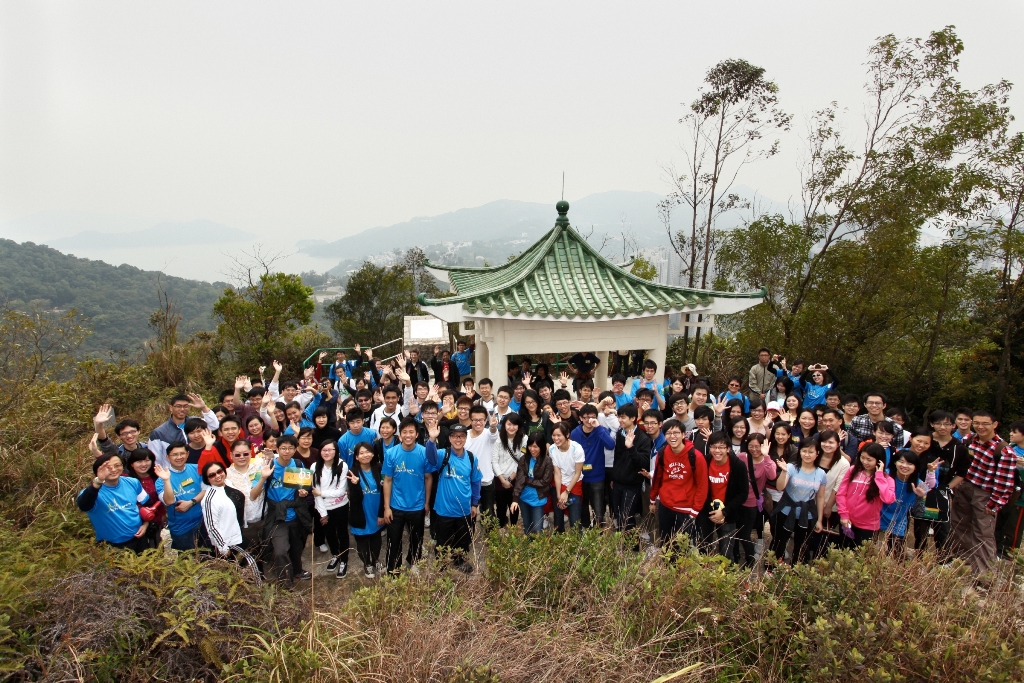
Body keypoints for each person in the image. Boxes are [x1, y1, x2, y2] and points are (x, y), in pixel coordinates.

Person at [948, 410, 1015, 576]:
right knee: (959, 525)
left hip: (985, 494)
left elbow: (1005, 483)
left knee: (983, 534)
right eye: (977, 423)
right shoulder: (969, 440)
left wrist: (994, 504)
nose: (980, 426)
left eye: (985, 423)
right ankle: (961, 563)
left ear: (995, 425)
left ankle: (984, 575)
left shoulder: (1003, 450)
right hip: (965, 488)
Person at [252, 434, 313, 584]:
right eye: (283, 448)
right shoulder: (269, 467)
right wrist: (263, 478)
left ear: (295, 449)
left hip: (296, 514)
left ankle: (297, 571)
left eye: (290, 448)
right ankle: (286, 583)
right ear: (277, 449)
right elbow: (253, 495)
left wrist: (304, 492)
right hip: (278, 516)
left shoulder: (298, 464)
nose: (287, 451)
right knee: (280, 551)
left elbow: (305, 487)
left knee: (297, 547)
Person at [425, 423, 481, 571]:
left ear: (465, 438)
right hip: (443, 509)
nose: (458, 439)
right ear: (449, 438)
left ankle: (459, 561)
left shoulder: (471, 458)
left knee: (463, 539)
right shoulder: (443, 454)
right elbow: (430, 458)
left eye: (462, 436)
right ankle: (441, 562)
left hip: (463, 509)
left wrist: (475, 503)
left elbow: (476, 481)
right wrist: (431, 439)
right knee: (442, 539)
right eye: (455, 436)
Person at [912, 409, 969, 552]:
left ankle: (943, 560)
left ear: (953, 426)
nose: (943, 427)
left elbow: (962, 472)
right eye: (938, 423)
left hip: (942, 490)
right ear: (931, 424)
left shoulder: (959, 447)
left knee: (942, 527)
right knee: (920, 527)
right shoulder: (925, 441)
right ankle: (919, 558)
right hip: (921, 488)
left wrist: (948, 488)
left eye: (947, 424)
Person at [383, 418, 433, 574]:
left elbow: (428, 478)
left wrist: (426, 502)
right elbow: (388, 480)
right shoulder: (391, 453)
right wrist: (386, 507)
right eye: (404, 432)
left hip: (417, 505)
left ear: (417, 434)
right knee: (394, 540)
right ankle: (393, 569)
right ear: (399, 435)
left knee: (416, 539)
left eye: (411, 432)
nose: (408, 435)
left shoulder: (424, 452)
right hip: (396, 506)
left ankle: (414, 562)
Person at [649, 419, 708, 547]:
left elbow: (702, 486)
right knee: (665, 544)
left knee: (681, 547)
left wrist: (695, 510)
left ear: (683, 435)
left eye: (676, 433)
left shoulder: (695, 456)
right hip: (666, 505)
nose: (672, 436)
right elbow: (657, 478)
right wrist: (652, 499)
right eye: (669, 433)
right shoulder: (663, 453)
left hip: (685, 508)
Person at [77, 453, 151, 553]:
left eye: (117, 465)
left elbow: (147, 504)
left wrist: (145, 525)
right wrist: (98, 482)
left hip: (139, 538)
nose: (113, 469)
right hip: (112, 545)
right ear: (98, 469)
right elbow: (84, 506)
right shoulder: (92, 492)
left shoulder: (133, 482)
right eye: (108, 467)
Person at [769, 440, 827, 565]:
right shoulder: (791, 467)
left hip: (807, 514)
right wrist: (784, 471)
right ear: (799, 452)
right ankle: (771, 566)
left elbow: (820, 497)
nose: (807, 454)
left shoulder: (821, 473)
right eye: (804, 451)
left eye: (811, 452)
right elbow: (780, 487)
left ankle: (797, 570)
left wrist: (819, 520)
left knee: (802, 544)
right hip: (786, 511)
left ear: (817, 453)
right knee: (779, 540)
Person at [699, 432, 750, 560]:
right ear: (709, 447)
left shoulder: (738, 465)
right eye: (714, 447)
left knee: (726, 553)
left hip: (729, 512)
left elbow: (743, 494)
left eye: (721, 447)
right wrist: (711, 511)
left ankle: (726, 577)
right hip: (706, 512)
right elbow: (700, 488)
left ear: (728, 448)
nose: (717, 451)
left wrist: (724, 512)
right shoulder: (704, 462)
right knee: (704, 548)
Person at [836, 443, 897, 546]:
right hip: (847, 521)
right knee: (843, 552)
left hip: (868, 526)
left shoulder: (887, 479)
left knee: (861, 557)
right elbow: (841, 493)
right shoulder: (853, 471)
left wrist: (879, 476)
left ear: (879, 461)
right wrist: (844, 514)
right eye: (862, 457)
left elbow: (888, 499)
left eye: (869, 460)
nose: (864, 462)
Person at [880, 448, 935, 555]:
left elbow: (918, 513)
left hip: (898, 524)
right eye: (901, 461)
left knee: (897, 556)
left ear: (915, 467)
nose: (904, 466)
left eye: (910, 463)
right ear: (895, 462)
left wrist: (919, 497)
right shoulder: (884, 476)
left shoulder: (920, 485)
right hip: (877, 519)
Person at [154, 442, 207, 551]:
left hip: (203, 520)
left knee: (207, 554)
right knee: (187, 558)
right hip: (181, 527)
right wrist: (166, 480)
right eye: (174, 455)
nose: (179, 457)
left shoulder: (197, 469)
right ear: (167, 457)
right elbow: (169, 501)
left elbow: (207, 489)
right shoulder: (161, 479)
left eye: (182, 453)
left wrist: (191, 502)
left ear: (187, 454)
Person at [807, 430, 851, 558]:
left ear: (838, 444)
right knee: (808, 534)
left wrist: (828, 506)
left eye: (831, 442)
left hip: (829, 505)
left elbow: (839, 487)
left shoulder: (843, 463)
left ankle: (818, 562)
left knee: (822, 537)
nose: (827, 445)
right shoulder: (814, 456)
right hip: (810, 503)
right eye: (824, 442)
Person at [610, 404, 652, 534]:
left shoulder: (643, 438)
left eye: (623, 417)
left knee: (627, 515)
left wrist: (631, 448)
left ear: (633, 418)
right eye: (619, 417)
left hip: (632, 484)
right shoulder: (620, 433)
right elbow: (617, 457)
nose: (620, 420)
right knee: (617, 513)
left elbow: (644, 462)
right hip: (618, 482)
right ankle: (619, 542)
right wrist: (613, 477)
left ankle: (631, 547)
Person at [223, 439, 267, 565]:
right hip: (244, 523)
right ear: (231, 455)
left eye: (245, 454)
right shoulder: (225, 474)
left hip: (264, 517)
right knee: (252, 552)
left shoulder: (259, 465)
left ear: (251, 453)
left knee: (266, 547)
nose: (242, 457)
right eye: (237, 455)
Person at [735, 434, 775, 567]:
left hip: (751, 502)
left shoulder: (767, 461)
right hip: (737, 500)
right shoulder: (742, 457)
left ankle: (750, 560)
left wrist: (767, 456)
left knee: (744, 534)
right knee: (734, 530)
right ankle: (735, 557)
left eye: (757, 446)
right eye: (751, 446)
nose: (754, 449)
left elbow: (772, 476)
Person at [148, 394, 221, 468]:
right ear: (171, 408)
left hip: (201, 467)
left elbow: (214, 425)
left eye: (186, 406)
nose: (182, 409)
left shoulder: (196, 422)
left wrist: (204, 407)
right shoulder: (159, 433)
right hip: (174, 473)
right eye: (178, 406)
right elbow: (156, 460)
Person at [312, 440, 351, 578]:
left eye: (330, 450)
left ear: (336, 451)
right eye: (324, 450)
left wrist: (322, 493)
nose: (327, 453)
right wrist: (322, 513)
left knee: (342, 533)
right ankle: (335, 555)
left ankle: (344, 560)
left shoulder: (342, 465)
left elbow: (341, 491)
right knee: (329, 534)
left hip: (340, 506)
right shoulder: (314, 466)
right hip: (323, 508)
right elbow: (314, 492)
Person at [347, 443, 386, 578]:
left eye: (368, 452)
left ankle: (375, 561)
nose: (365, 455)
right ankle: (367, 564)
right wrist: (355, 485)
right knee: (362, 541)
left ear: (373, 454)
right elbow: (355, 500)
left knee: (376, 538)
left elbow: (385, 492)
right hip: (361, 513)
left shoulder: (380, 468)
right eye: (361, 453)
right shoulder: (352, 472)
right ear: (356, 457)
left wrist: (382, 513)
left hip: (376, 511)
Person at [510, 433, 554, 534]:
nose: (532, 449)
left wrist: (527, 480)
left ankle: (538, 549)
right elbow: (520, 480)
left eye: (535, 446)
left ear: (541, 446)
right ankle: (528, 548)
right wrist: (515, 499)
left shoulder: (547, 461)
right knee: (527, 527)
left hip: (538, 498)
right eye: (530, 446)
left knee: (538, 529)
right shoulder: (524, 459)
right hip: (524, 498)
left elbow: (545, 481)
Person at [201, 461, 245, 557]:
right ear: (207, 480)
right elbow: (211, 527)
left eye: (219, 471)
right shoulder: (209, 499)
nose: (217, 476)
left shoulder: (228, 483)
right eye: (212, 475)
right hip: (228, 543)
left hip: (240, 535)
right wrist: (224, 549)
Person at [124, 449, 165, 548]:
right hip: (135, 521)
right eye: (139, 461)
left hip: (156, 519)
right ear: (132, 464)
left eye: (147, 460)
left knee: (156, 548)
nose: (143, 464)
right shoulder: (126, 480)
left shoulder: (158, 477)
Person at [548, 423, 585, 531]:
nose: (556, 438)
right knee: (558, 516)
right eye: (553, 435)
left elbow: (577, 473)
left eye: (559, 435)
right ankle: (559, 543)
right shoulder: (552, 449)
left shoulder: (577, 449)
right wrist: (559, 495)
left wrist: (567, 492)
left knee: (575, 518)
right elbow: (557, 473)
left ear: (567, 435)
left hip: (574, 485)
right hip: (559, 484)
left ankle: (578, 542)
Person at [492, 412, 524, 528]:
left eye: (515, 425)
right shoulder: (498, 440)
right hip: (499, 478)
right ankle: (501, 527)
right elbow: (494, 461)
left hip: (515, 478)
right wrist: (502, 479)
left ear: (519, 426)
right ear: (504, 425)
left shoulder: (524, 439)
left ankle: (514, 527)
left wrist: (510, 479)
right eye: (509, 424)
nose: (511, 427)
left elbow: (522, 462)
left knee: (513, 505)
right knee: (500, 505)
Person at [466, 406, 498, 520]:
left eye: (481, 420)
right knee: (469, 513)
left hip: (486, 480)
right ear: (470, 420)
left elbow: (493, 434)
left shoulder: (488, 434)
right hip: (468, 481)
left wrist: (493, 427)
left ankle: (490, 537)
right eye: (475, 420)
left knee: (488, 513)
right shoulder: (464, 435)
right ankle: (470, 537)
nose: (478, 423)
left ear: (485, 421)